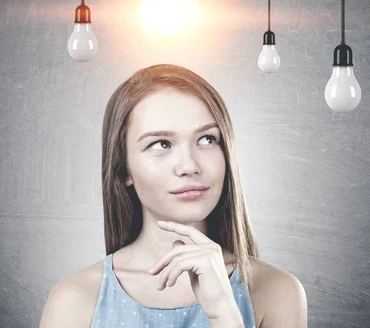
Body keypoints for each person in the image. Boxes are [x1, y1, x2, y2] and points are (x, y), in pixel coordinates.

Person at [39, 64, 308, 328]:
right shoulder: (75, 299)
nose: (190, 165)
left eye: (207, 139)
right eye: (161, 144)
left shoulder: (276, 291)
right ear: (123, 169)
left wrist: (223, 313)